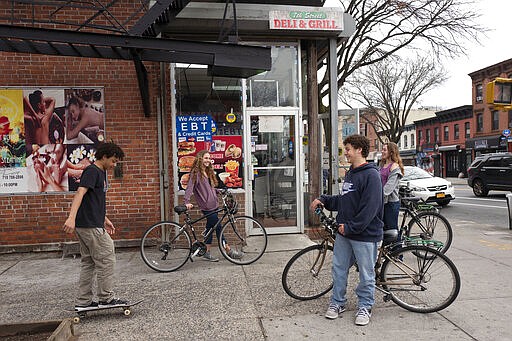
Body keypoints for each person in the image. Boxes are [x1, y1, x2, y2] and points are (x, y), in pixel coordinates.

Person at [309, 134, 383, 326]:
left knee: (366, 274)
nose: (346, 153)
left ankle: (365, 306)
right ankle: (337, 302)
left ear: (359, 150)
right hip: (345, 233)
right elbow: (345, 201)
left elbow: (370, 209)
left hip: (364, 235)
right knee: (339, 269)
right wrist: (324, 199)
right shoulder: (351, 173)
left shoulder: (371, 175)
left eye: (348, 149)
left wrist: (351, 227)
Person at [63, 142, 127, 311]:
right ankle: (106, 298)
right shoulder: (93, 171)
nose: (114, 165)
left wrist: (104, 218)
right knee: (106, 257)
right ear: (104, 157)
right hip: (90, 225)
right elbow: (80, 193)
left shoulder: (98, 172)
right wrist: (71, 218)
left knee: (89, 262)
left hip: (89, 223)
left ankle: (83, 301)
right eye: (113, 161)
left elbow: (92, 200)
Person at [184, 150, 243, 262]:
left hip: (214, 204)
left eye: (209, 158)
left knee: (211, 228)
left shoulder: (207, 172)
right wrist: (186, 201)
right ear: (200, 159)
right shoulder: (196, 174)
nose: (208, 160)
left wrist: (219, 191)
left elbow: (210, 189)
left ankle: (207, 252)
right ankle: (228, 250)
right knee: (219, 227)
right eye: (205, 158)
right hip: (206, 206)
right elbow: (189, 188)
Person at [379, 142, 404, 233]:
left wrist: (376, 197)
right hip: (382, 202)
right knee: (383, 229)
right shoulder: (381, 165)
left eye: (384, 150)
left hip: (390, 203)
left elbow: (388, 189)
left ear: (391, 152)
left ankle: (399, 247)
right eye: (382, 149)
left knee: (392, 231)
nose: (382, 151)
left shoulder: (395, 167)